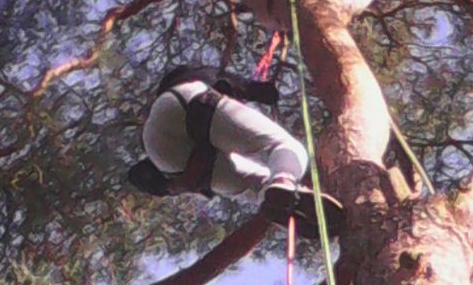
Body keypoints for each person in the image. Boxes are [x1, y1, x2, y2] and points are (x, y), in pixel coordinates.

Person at [126, 64, 343, 238]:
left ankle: (280, 199)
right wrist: (258, 90)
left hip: (165, 155)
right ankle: (284, 182)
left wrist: (171, 186)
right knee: (284, 146)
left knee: (257, 184)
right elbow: (230, 81)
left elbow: (139, 175)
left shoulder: (154, 120)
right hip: (185, 103)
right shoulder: (193, 74)